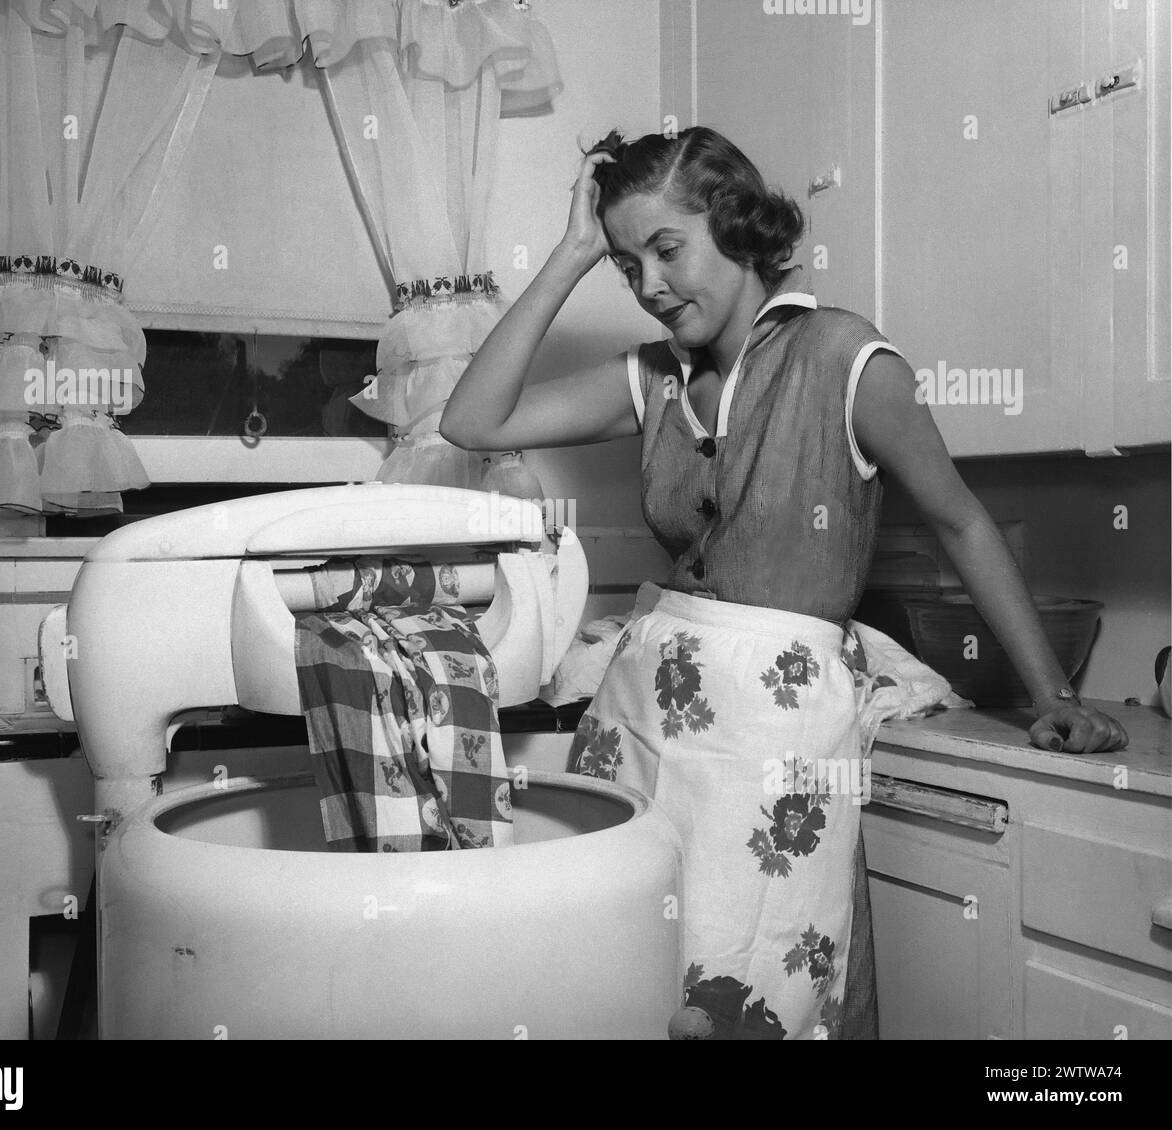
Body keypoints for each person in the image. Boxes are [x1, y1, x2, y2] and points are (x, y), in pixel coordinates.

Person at [439, 127, 1128, 1040]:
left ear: (733, 224)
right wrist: (571, 252)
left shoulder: (846, 359)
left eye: (666, 249)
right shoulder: (651, 381)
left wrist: (1053, 693)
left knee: (754, 996)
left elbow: (961, 519)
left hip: (772, 752)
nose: (647, 285)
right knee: (615, 985)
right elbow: (473, 421)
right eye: (624, 262)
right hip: (640, 725)